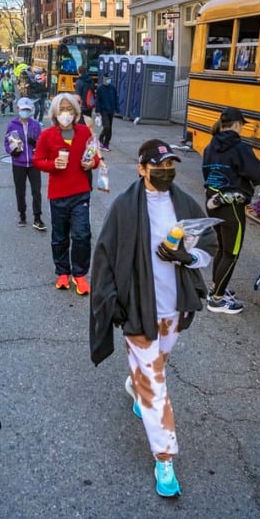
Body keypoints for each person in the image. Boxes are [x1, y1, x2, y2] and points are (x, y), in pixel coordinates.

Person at [89, 139, 216, 497]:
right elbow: (104, 258)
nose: (165, 172)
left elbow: (207, 247)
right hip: (138, 309)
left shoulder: (184, 204)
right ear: (142, 168)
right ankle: (164, 459)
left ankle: (136, 386)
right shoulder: (124, 209)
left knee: (156, 366)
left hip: (174, 308)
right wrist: (112, 303)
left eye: (170, 166)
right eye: (158, 166)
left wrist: (186, 258)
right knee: (156, 385)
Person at [201, 107, 260, 315]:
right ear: (238, 125)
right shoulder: (240, 148)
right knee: (232, 252)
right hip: (232, 206)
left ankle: (215, 287)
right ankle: (218, 299)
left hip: (212, 201)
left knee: (222, 248)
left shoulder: (210, 145)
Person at [33, 93, 99, 295]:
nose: (66, 114)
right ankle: (63, 272)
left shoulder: (84, 133)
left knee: (81, 235)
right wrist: (53, 164)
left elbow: (94, 157)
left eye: (69, 109)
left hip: (81, 192)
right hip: (58, 194)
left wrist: (91, 163)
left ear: (76, 112)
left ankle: (80, 275)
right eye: (62, 110)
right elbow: (37, 160)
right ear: (54, 113)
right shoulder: (47, 135)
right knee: (59, 236)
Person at [4, 97, 45, 231]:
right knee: (20, 191)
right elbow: (7, 142)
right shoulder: (12, 125)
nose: (25, 112)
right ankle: (22, 214)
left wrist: (36, 144)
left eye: (27, 110)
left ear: (31, 110)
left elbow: (43, 143)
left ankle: (37, 217)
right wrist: (12, 151)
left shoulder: (36, 125)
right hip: (19, 163)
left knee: (36, 191)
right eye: (23, 110)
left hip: (34, 163)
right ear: (18, 110)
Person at [94, 71, 119, 151]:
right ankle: (101, 139)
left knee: (109, 128)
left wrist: (117, 109)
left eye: (109, 79)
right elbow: (98, 100)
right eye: (106, 79)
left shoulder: (113, 88)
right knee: (107, 127)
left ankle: (106, 144)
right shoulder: (100, 88)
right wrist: (97, 111)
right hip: (103, 110)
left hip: (111, 110)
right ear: (103, 79)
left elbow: (115, 99)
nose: (108, 80)